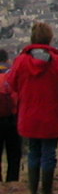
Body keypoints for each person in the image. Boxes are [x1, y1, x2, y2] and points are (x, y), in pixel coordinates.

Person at [5, 22, 58, 194]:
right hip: (51, 113)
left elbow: (11, 83)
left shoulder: (21, 61)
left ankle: (32, 192)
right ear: (49, 38)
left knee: (33, 151)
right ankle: (46, 192)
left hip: (28, 114)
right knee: (48, 152)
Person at [0, 49, 22, 183]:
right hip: (13, 118)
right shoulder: (13, 73)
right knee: (14, 154)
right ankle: (12, 182)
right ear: (7, 59)